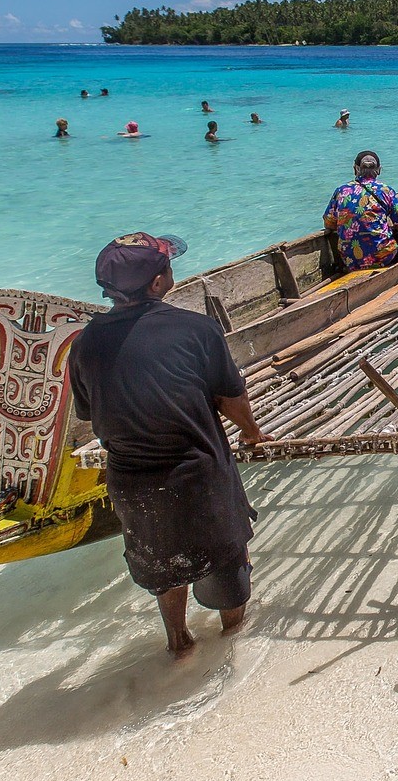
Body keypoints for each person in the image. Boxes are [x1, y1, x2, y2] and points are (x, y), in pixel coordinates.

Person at [68, 233, 268, 657]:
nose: (171, 272)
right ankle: (231, 647)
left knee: (165, 566)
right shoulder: (196, 329)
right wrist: (251, 433)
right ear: (157, 284)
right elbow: (230, 398)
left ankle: (178, 645)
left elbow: (88, 411)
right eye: (167, 268)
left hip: (132, 483)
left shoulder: (84, 343)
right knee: (228, 569)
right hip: (197, 474)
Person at [324, 151, 398, 269]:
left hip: (349, 259)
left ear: (355, 169)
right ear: (379, 170)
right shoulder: (385, 190)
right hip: (382, 258)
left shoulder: (341, 191)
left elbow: (329, 223)